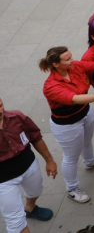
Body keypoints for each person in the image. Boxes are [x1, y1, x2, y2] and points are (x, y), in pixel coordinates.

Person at [38, 47, 94, 204]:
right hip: (67, 125)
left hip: (85, 113)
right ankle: (71, 188)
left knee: (87, 141)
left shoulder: (76, 66)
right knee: (71, 157)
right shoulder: (51, 86)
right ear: (55, 64)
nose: (72, 60)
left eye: (71, 56)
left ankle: (90, 161)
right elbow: (74, 99)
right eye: (67, 59)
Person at [0, 95, 57, 233]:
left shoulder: (17, 117)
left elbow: (35, 137)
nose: (0, 111)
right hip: (3, 180)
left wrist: (49, 160)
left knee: (36, 191)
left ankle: (30, 208)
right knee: (15, 223)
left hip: (28, 165)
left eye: (0, 105)